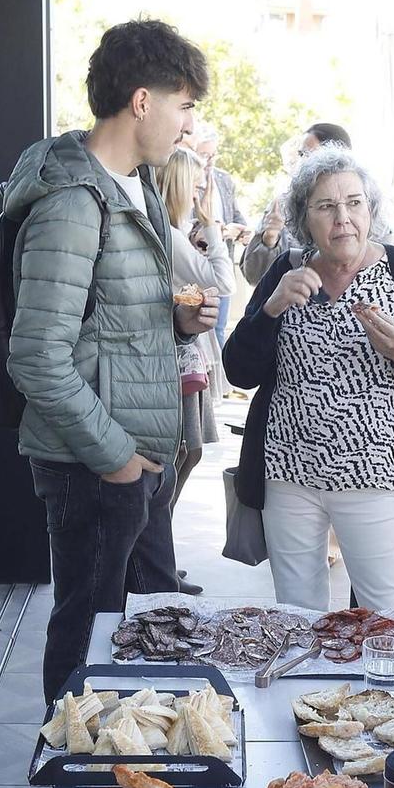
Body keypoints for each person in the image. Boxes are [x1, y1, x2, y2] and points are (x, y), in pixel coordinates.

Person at [5, 18, 220, 708]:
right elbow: (37, 355)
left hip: (132, 459)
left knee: (128, 634)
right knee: (84, 641)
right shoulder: (73, 201)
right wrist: (117, 459)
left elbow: (109, 320)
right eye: (183, 104)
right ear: (141, 101)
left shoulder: (134, 188)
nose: (186, 125)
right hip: (94, 465)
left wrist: (176, 317)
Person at [223, 145, 394, 616]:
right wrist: (269, 312)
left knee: (388, 615)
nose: (343, 219)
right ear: (304, 218)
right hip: (288, 474)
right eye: (326, 207)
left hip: (371, 475)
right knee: (298, 615)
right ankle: (306, 694)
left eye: (354, 203)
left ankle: (385, 692)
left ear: (371, 210)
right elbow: (238, 371)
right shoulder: (285, 272)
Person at [159, 142, 234, 567]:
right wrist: (212, 227)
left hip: (188, 352)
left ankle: (159, 550)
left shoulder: (176, 234)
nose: (202, 194)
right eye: (198, 185)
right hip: (178, 354)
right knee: (184, 450)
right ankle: (157, 552)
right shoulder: (170, 236)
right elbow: (223, 281)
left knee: (190, 450)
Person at [242, 123, 353, 287]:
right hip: (288, 309)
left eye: (309, 154)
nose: (302, 161)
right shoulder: (281, 205)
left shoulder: (364, 208)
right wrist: (269, 240)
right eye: (301, 154)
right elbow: (253, 276)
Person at [189, 123, 248, 350]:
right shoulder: (185, 180)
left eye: (214, 154)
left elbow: (236, 214)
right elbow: (187, 225)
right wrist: (219, 231)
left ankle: (222, 381)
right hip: (198, 266)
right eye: (205, 154)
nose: (210, 160)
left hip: (223, 259)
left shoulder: (224, 179)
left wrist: (242, 229)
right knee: (201, 331)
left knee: (220, 328)